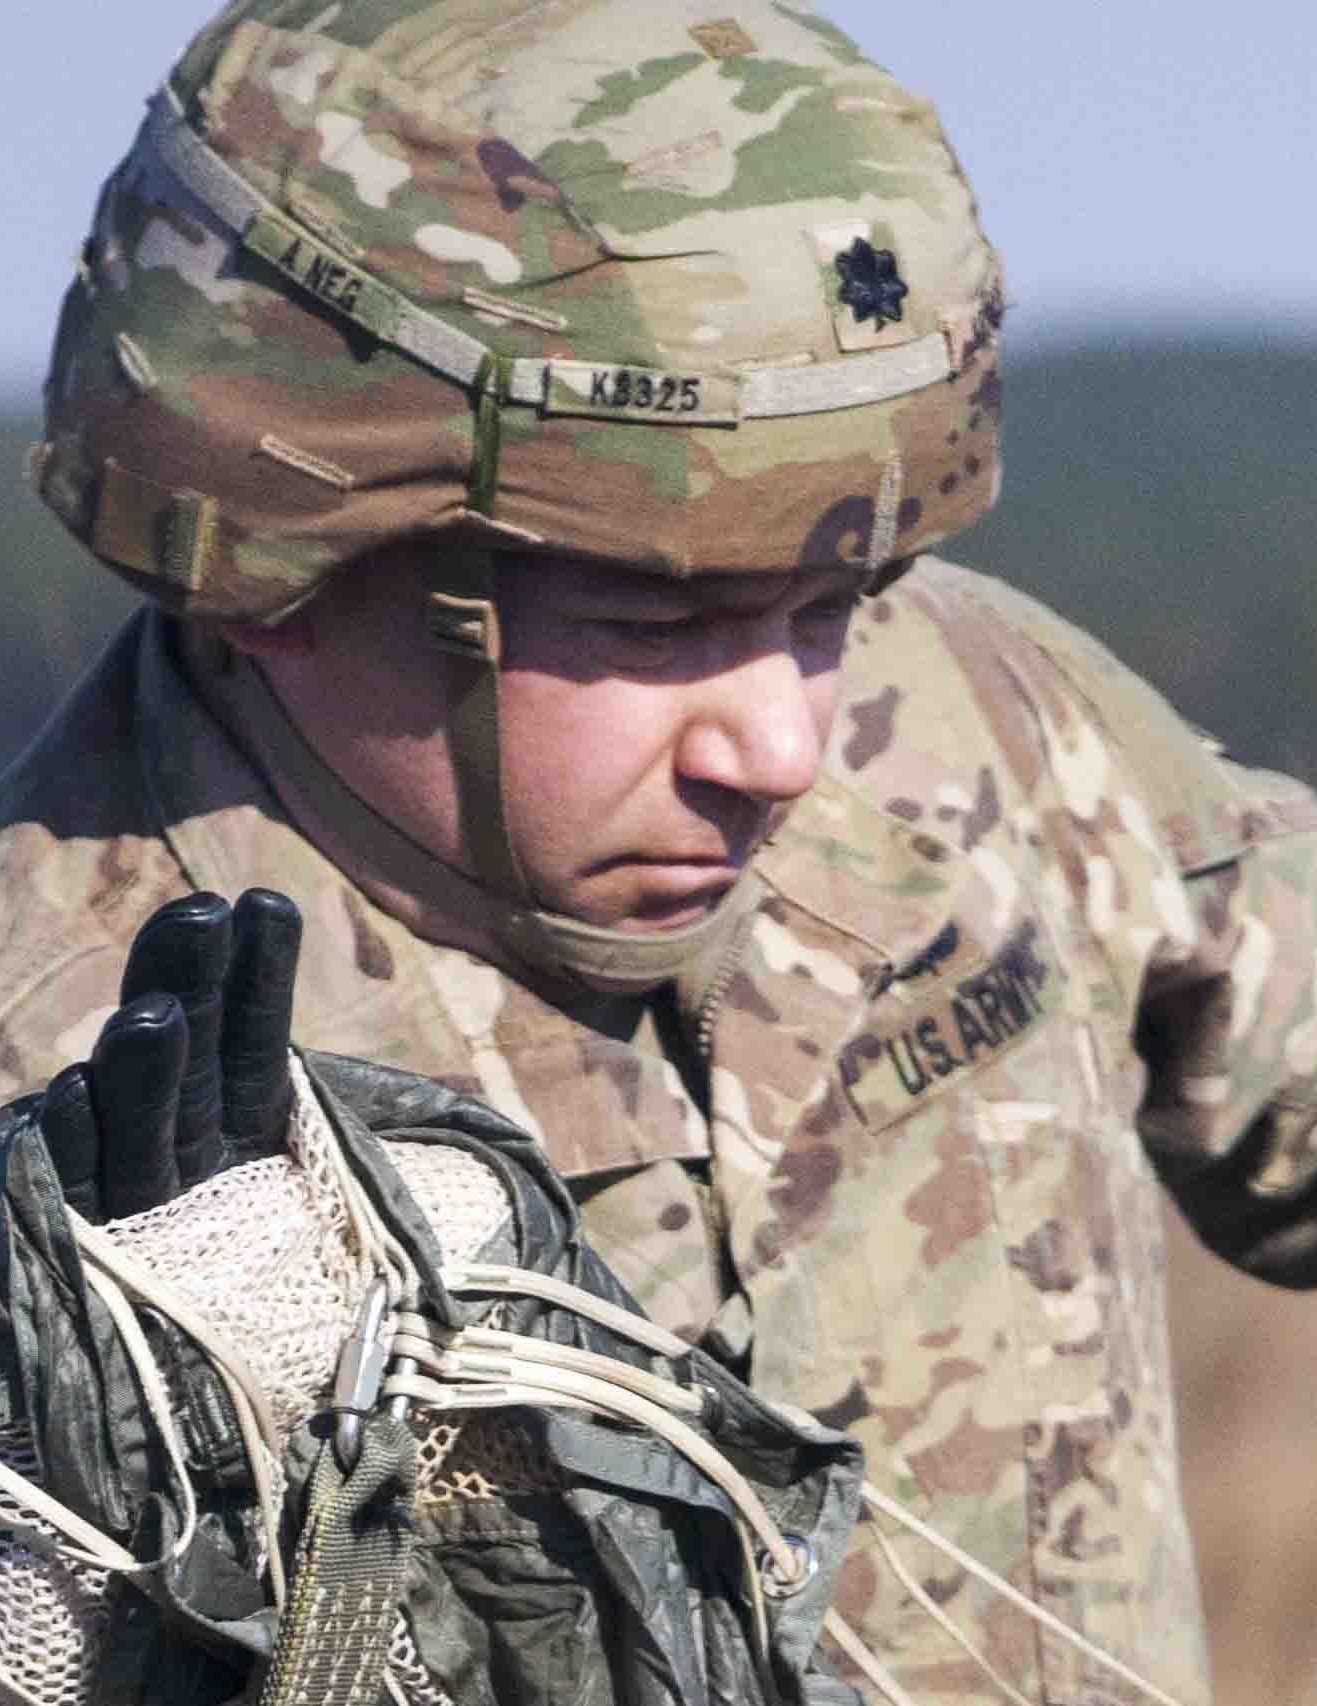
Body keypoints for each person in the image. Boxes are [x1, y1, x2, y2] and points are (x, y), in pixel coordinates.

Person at [5, 1, 1317, 1699]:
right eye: (648, 624)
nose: (780, 746)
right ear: (278, 566)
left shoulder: (980, 717)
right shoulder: (67, 1082)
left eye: (833, 601)